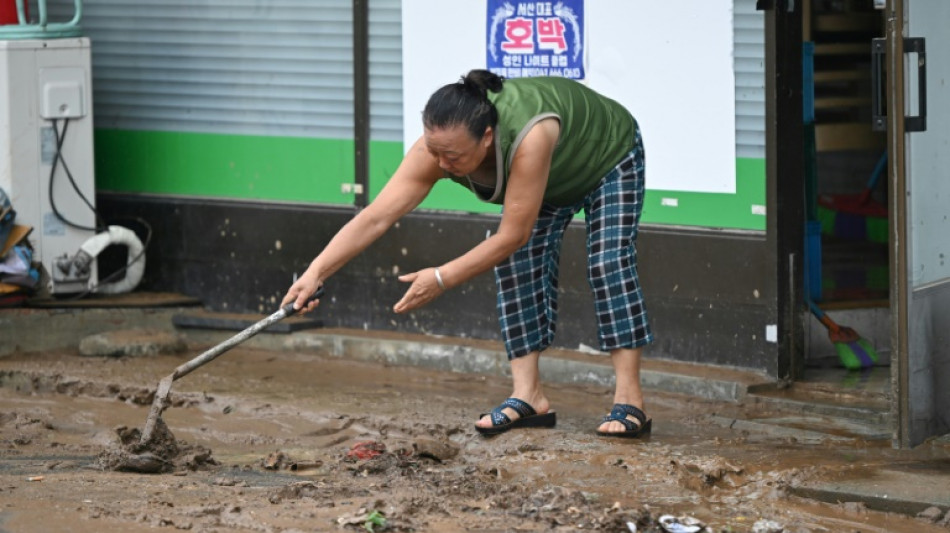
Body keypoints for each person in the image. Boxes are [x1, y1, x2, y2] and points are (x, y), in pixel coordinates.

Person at [282, 70, 653, 438]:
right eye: (434, 151)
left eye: (453, 156)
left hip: (608, 158)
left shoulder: (530, 136)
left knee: (608, 263)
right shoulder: (437, 150)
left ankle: (630, 399)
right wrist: (316, 272)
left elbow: (513, 234)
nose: (442, 164)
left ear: (487, 137)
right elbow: (376, 217)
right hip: (550, 177)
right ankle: (529, 396)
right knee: (515, 264)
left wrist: (441, 277)